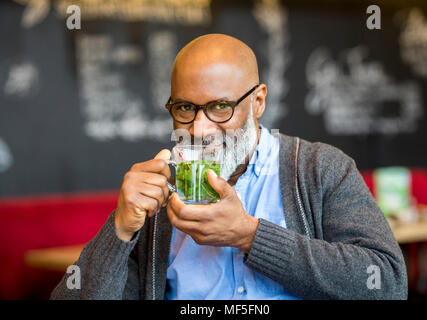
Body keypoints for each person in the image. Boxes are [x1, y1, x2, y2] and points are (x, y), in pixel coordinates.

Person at [51, 33, 407, 300]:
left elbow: (387, 283)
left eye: (220, 107)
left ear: (258, 102)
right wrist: (119, 231)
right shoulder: (157, 197)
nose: (199, 130)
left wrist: (249, 235)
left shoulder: (320, 169)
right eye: (185, 108)